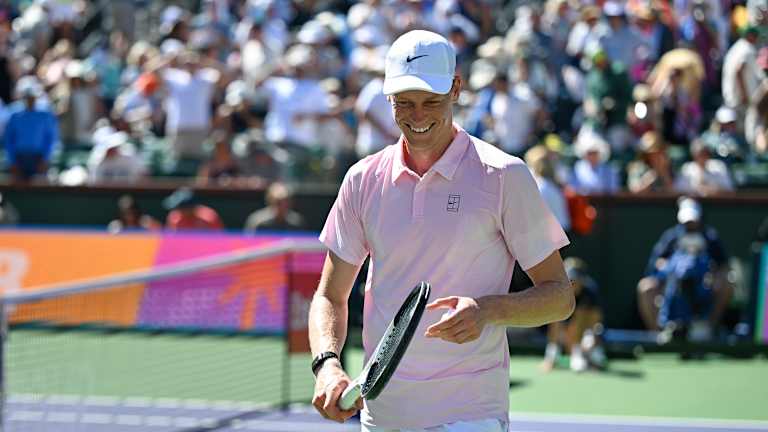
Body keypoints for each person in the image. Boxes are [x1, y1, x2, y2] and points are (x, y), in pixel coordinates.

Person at [309, 30, 574, 430]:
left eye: (430, 101)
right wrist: (327, 364)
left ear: (455, 88)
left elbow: (560, 297)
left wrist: (488, 311)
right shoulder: (362, 179)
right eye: (404, 103)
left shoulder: (505, 175)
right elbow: (330, 295)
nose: (417, 116)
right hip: (381, 418)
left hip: (470, 417)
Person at [636, 197, 733, 340]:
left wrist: (713, 277)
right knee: (645, 287)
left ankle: (708, 329)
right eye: (687, 221)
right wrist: (668, 269)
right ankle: (659, 335)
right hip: (672, 285)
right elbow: (655, 265)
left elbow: (724, 266)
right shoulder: (671, 237)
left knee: (728, 282)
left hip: (704, 287)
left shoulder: (710, 237)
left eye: (693, 220)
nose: (690, 224)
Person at [540, 257, 606, 373]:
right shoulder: (559, 291)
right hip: (566, 332)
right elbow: (555, 324)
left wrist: (589, 341)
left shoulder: (590, 292)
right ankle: (553, 354)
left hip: (587, 332)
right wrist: (552, 354)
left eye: (576, 280)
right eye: (570, 280)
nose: (573, 283)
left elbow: (596, 322)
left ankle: (584, 354)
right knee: (556, 319)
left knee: (597, 357)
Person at [3, 78, 59, 182]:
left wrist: (45, 159)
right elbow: (9, 139)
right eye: (27, 97)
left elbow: (51, 138)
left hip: (39, 158)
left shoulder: (45, 115)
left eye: (32, 97)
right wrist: (12, 161)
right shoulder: (14, 115)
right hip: (19, 158)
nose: (30, 100)